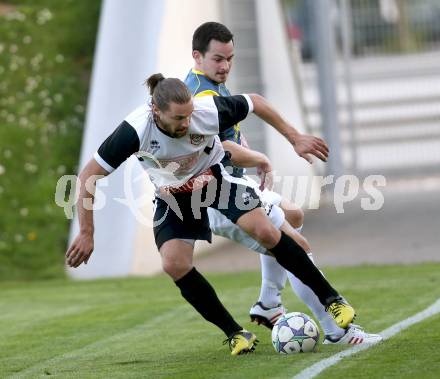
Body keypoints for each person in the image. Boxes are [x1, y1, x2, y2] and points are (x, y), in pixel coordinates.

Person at [66, 73, 356, 356]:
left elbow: (255, 102)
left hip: (214, 179)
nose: (187, 123)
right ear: (156, 111)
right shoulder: (135, 130)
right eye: (179, 118)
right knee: (174, 264)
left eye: (189, 115)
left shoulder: (205, 112)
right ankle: (235, 333)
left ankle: (332, 300)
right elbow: (89, 175)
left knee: (266, 231)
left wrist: (295, 138)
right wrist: (87, 232)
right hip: (173, 197)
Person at [184, 21, 382, 344]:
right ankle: (337, 331)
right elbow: (221, 149)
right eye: (218, 59)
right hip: (216, 199)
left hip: (230, 187)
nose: (226, 66)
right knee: (296, 248)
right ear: (197, 56)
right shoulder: (201, 94)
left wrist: (293, 138)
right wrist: (260, 157)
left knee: (293, 217)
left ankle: (268, 303)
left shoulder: (205, 82)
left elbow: (253, 104)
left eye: (230, 58)